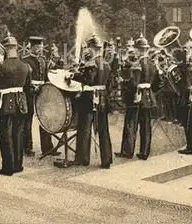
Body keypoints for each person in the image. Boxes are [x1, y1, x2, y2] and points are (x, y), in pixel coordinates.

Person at [0, 33, 31, 176]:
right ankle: (18, 165)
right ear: (16, 48)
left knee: (6, 135)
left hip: (5, 103)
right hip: (21, 102)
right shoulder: (25, 66)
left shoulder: (1, 67)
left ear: (5, 49)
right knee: (18, 134)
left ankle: (8, 167)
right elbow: (28, 87)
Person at [115, 34, 163, 160]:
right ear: (146, 49)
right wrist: (151, 91)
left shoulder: (137, 63)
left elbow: (133, 83)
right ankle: (144, 152)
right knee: (146, 125)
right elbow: (159, 83)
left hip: (136, 97)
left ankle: (127, 151)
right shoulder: (152, 64)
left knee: (131, 123)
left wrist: (122, 81)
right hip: (148, 97)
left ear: (138, 49)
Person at [70, 34, 113, 168]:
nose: (87, 50)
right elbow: (110, 85)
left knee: (85, 128)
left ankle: (83, 158)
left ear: (92, 48)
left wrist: (75, 75)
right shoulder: (106, 64)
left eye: (88, 48)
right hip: (103, 98)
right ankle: (107, 160)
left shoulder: (91, 63)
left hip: (89, 99)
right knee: (103, 130)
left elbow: (88, 80)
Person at [21, 36, 59, 157]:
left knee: (45, 119)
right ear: (31, 47)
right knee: (28, 120)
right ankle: (27, 147)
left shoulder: (43, 60)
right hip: (29, 93)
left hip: (42, 93)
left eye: (41, 47)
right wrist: (30, 88)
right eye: (37, 47)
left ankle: (47, 147)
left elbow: (49, 75)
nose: (40, 49)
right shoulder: (25, 60)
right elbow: (23, 80)